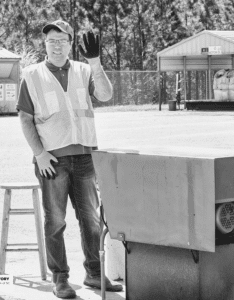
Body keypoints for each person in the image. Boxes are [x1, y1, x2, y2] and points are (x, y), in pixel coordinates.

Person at [17, 20, 123, 299]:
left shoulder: (85, 70)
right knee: (55, 222)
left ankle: (94, 274)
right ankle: (60, 278)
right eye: (51, 40)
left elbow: (105, 94)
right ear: (45, 44)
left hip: (85, 158)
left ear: (70, 43)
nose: (56, 45)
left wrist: (96, 62)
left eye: (62, 40)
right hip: (51, 161)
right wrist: (39, 155)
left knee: (91, 220)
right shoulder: (31, 74)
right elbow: (25, 119)